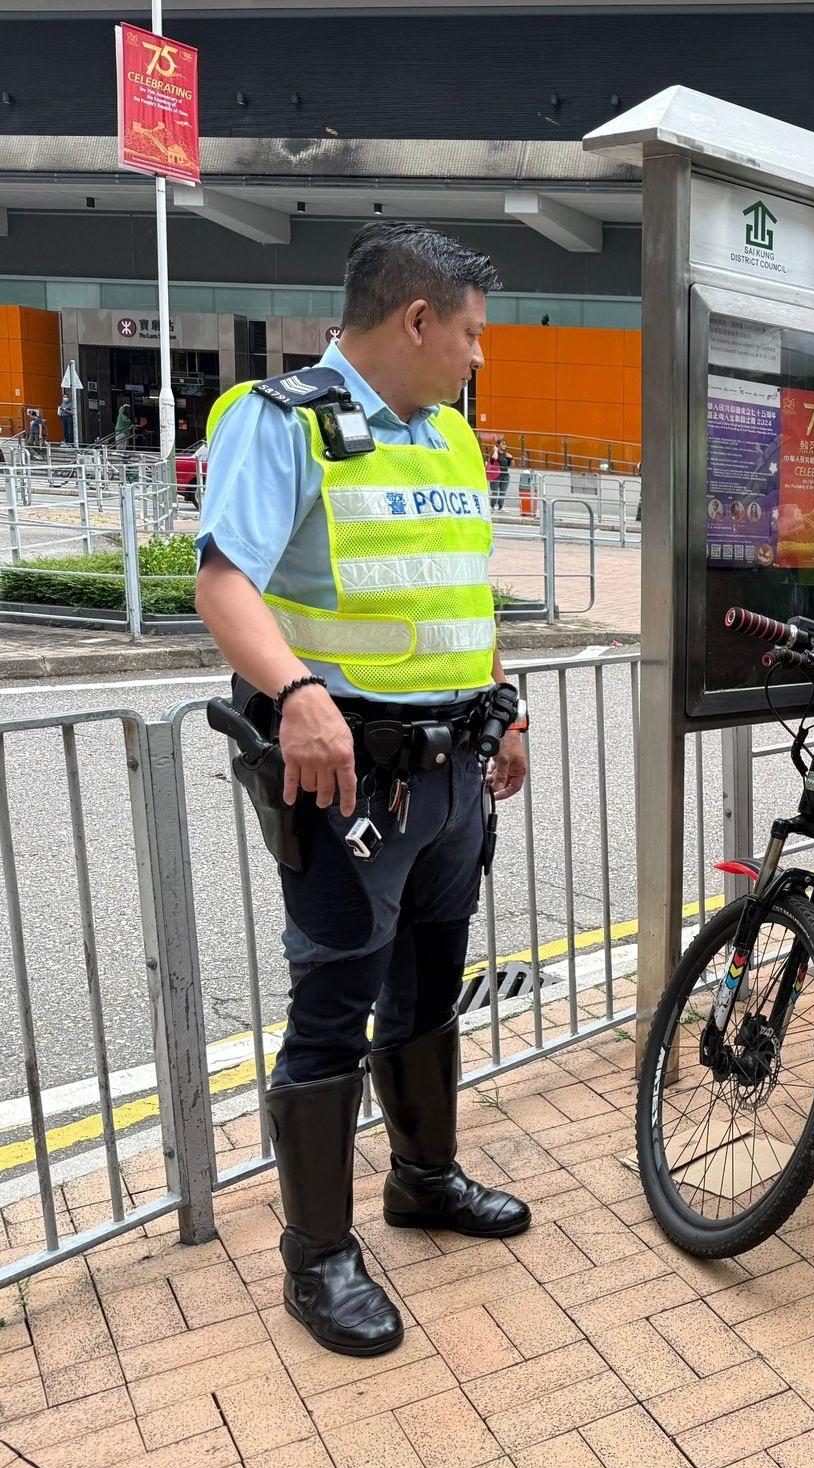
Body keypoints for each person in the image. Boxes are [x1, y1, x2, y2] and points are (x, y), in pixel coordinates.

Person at [193, 221, 533, 1357]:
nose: (479, 358)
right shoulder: (279, 422)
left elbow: (462, 595)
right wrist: (292, 688)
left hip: (451, 777)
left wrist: (506, 702)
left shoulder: (446, 440)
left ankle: (423, 1179)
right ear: (417, 319)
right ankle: (317, 1258)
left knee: (432, 981)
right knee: (334, 1004)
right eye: (471, 335)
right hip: (347, 781)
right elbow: (223, 581)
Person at [485, 440, 508, 513]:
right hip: (495, 475)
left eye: (505, 444)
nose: (505, 445)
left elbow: (510, 463)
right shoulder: (493, 453)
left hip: (505, 475)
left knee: (503, 492)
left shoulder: (505, 454)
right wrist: (495, 450)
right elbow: (494, 458)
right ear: (498, 445)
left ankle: (500, 506)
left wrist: (512, 458)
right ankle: (493, 505)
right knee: (495, 492)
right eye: (503, 444)